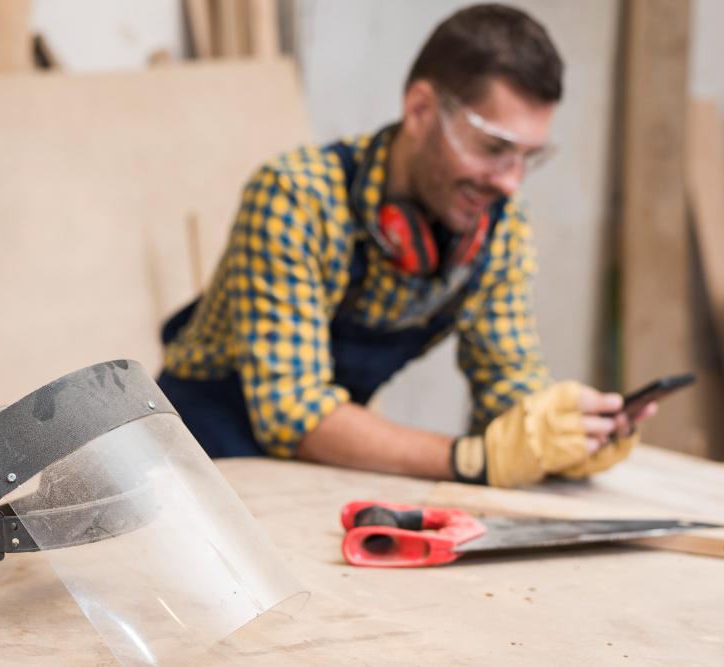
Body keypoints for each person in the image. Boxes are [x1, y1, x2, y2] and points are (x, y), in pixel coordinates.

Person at [157, 3, 656, 487]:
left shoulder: (499, 223)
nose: (511, 183)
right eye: (494, 148)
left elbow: (508, 380)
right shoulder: (297, 196)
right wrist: (473, 458)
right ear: (420, 109)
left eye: (529, 156)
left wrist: (558, 437)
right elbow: (294, 411)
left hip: (311, 468)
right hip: (198, 456)